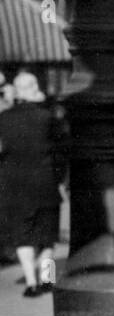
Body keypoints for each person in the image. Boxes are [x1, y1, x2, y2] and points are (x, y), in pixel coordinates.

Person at [0, 72, 65, 297]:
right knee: (48, 237)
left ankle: (30, 282)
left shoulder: (3, 119)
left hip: (14, 188)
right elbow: (60, 154)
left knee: (22, 237)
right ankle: (48, 278)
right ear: (35, 87)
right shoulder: (48, 118)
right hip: (45, 185)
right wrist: (60, 179)